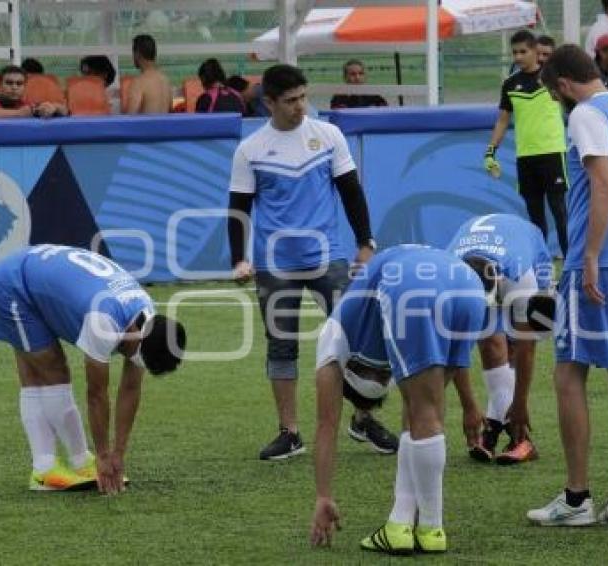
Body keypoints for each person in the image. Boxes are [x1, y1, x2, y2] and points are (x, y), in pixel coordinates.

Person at [228, 64, 397, 460]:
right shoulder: (250, 149)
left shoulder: (328, 135)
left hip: (328, 259)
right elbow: (238, 208)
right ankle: (289, 433)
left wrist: (365, 242)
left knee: (356, 341)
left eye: (304, 97)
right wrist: (238, 258)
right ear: (268, 102)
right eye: (290, 101)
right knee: (281, 347)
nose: (300, 106)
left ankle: (363, 419)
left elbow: (352, 193)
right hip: (274, 263)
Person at [527, 45, 608, 531]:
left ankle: (577, 497)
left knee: (569, 372)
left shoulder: (585, 114)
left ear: (561, 85)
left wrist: (592, 255)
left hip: (598, 258)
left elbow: (604, 184)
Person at [309, 245, 489, 555]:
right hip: (468, 285)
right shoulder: (346, 341)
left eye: (380, 376)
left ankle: (431, 527)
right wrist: (470, 406)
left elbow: (327, 425)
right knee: (425, 412)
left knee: (424, 412)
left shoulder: (332, 339)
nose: (382, 376)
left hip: (410, 284)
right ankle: (400, 522)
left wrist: (323, 495)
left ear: (349, 368)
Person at [0, 245, 186, 493]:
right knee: (51, 370)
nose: (132, 360)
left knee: (41, 369)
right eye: (135, 355)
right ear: (136, 337)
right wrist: (103, 454)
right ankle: (47, 469)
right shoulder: (103, 320)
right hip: (10, 285)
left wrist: (118, 454)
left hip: (35, 273)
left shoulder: (148, 319)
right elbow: (97, 394)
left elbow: (131, 388)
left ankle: (73, 463)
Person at [446, 214, 556, 464]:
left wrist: (520, 404)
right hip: (487, 249)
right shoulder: (448, 276)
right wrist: (469, 406)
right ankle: (497, 426)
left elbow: (527, 347)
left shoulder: (520, 276)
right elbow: (454, 348)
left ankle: (520, 438)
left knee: (517, 345)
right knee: (489, 343)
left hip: (526, 246)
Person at [485, 30, 568, 257]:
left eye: (523, 51)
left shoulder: (553, 78)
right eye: (514, 52)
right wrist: (490, 152)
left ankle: (573, 268)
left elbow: (574, 105)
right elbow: (502, 120)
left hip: (552, 154)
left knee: (560, 213)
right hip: (525, 158)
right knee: (535, 219)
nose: (518, 57)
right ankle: (542, 270)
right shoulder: (510, 84)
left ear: (535, 51)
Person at [0, 66, 67, 119]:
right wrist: (20, 113)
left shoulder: (31, 107)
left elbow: (66, 112)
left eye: (19, 84)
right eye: (9, 83)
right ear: (0, 85)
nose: (14, 87)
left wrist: (54, 108)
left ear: (24, 87)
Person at [125, 34, 172, 114]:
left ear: (137, 54)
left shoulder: (139, 83)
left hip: (147, 126)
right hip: (165, 126)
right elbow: (170, 111)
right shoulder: (165, 80)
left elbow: (130, 118)